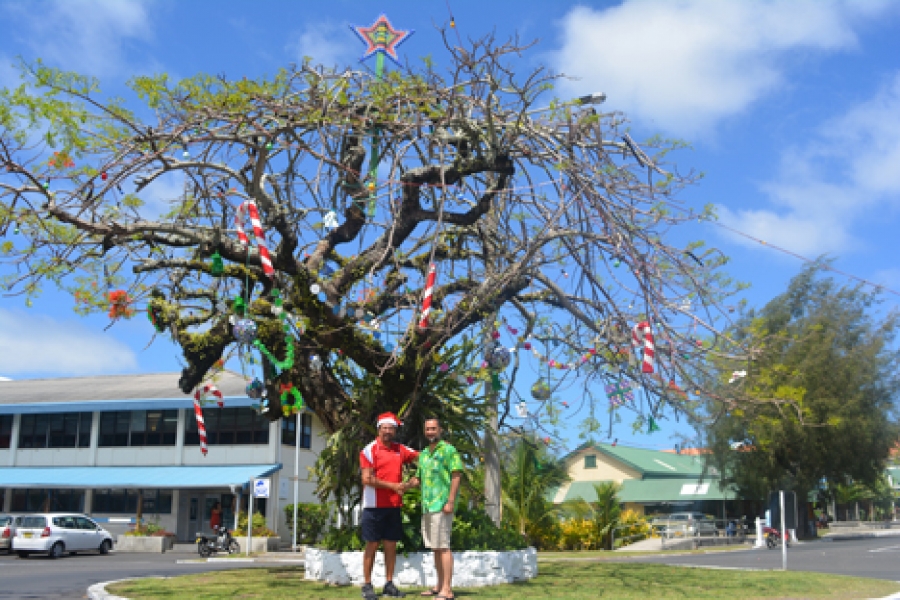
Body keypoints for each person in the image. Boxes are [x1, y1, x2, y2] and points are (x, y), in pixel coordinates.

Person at [360, 412, 419, 600]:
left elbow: (422, 458)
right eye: (384, 428)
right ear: (379, 429)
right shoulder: (369, 450)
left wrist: (410, 483)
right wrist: (393, 486)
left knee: (391, 546)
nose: (387, 431)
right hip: (373, 507)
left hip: (393, 506)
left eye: (391, 428)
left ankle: (388, 584)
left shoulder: (400, 450)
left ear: (395, 430)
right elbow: (366, 479)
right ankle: (367, 585)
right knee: (372, 545)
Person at [407, 417, 463, 600]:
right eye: (427, 429)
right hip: (427, 506)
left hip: (442, 505)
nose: (430, 432)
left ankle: (447, 590)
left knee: (444, 547)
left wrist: (451, 501)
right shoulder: (423, 454)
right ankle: (439, 585)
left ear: (440, 430)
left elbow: (456, 475)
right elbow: (418, 479)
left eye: (433, 428)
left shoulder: (448, 450)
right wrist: (403, 486)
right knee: (435, 548)